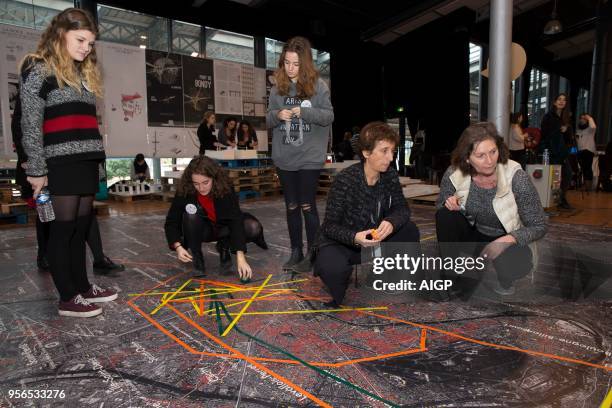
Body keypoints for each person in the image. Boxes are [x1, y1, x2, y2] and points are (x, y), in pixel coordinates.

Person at [20, 8, 117, 317]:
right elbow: (31, 124)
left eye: (90, 42)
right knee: (63, 231)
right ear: (60, 33)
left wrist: (98, 163)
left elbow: (87, 123)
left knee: (80, 228)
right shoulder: (38, 68)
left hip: (86, 160)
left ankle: (83, 287)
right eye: (80, 39)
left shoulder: (83, 72)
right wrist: (36, 170)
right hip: (59, 162)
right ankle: (67, 297)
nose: (86, 48)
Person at [13, 89, 124, 277]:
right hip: (46, 162)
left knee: (84, 216)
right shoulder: (38, 81)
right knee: (48, 217)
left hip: (74, 161)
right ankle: (45, 256)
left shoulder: (78, 84)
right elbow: (21, 125)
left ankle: (97, 260)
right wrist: (29, 161)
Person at [315, 122, 420, 307]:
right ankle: (334, 277)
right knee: (334, 270)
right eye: (384, 151)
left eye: (392, 151)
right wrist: (355, 237)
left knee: (409, 230)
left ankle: (381, 275)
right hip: (344, 243)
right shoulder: (345, 180)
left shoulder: (390, 176)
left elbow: (402, 209)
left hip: (373, 240)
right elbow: (329, 226)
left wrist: (391, 222)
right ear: (366, 153)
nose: (390, 157)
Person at [436, 122, 547, 296]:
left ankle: (506, 280)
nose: (489, 161)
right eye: (480, 155)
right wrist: (452, 205)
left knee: (515, 264)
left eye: (493, 152)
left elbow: (539, 225)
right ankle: (451, 274)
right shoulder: (454, 173)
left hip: (504, 237)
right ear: (467, 158)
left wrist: (506, 241)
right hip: (474, 233)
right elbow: (440, 207)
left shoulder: (517, 177)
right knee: (445, 216)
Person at [267, 36, 334, 273]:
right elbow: (267, 118)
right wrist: (278, 115)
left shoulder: (319, 86)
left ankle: (313, 254)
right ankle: (296, 251)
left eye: (296, 64)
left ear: (304, 64)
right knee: (292, 206)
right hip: (285, 157)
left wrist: (304, 113)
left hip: (309, 157)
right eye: (287, 63)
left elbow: (328, 116)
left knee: (307, 205)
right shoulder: (278, 88)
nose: (291, 68)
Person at [164, 156, 268, 278]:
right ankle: (197, 258)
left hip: (223, 228)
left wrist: (241, 256)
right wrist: (178, 247)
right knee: (190, 216)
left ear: (214, 178)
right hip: (201, 230)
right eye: (196, 184)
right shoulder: (185, 190)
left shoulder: (225, 187)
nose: (201, 188)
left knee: (253, 227)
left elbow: (235, 219)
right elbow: (172, 221)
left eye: (205, 182)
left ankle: (224, 246)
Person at [540, 93, 573, 209]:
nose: (561, 101)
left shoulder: (566, 118)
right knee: (554, 177)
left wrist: (566, 131)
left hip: (563, 152)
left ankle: (560, 199)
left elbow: (570, 138)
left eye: (564, 100)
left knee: (567, 175)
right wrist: (559, 130)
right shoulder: (548, 116)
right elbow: (544, 134)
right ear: (554, 102)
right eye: (559, 99)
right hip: (551, 152)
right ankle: (555, 200)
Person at [575, 113, 597, 190]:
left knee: (587, 168)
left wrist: (589, 117)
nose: (582, 120)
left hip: (588, 150)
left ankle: (588, 186)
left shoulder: (590, 129)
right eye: (581, 118)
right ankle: (584, 185)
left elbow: (593, 126)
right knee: (583, 168)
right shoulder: (578, 130)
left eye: (584, 119)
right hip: (580, 151)